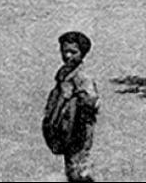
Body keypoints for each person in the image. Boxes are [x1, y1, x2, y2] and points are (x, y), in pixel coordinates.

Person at [43, 30, 100, 182]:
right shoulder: (64, 72)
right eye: (64, 51)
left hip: (78, 129)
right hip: (66, 128)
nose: (67, 56)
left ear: (82, 53)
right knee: (71, 167)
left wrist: (75, 98)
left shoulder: (82, 76)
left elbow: (92, 102)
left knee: (79, 169)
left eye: (73, 52)